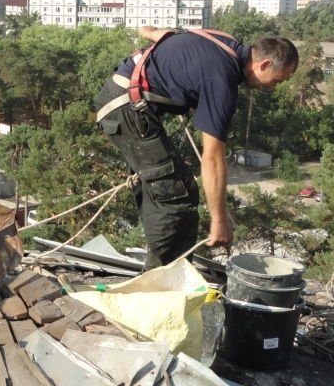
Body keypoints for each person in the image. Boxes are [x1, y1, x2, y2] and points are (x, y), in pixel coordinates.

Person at [94, 26, 297, 269]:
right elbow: (212, 159)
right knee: (175, 195)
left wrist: (147, 33)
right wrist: (219, 219)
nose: (272, 87)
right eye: (276, 80)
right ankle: (164, 283)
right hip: (124, 108)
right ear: (263, 64)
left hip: (123, 100)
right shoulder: (222, 81)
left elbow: (165, 34)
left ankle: (159, 270)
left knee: (162, 188)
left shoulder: (224, 41)